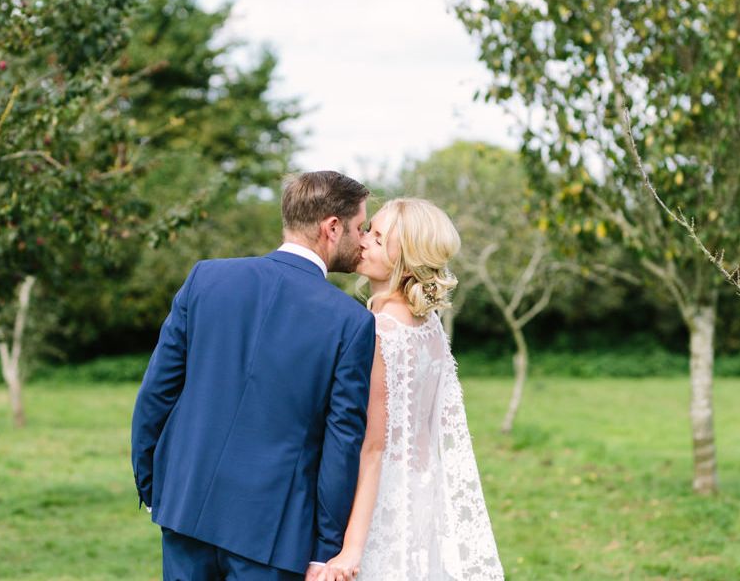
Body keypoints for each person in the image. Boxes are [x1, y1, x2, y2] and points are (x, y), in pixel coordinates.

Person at [131, 170, 376, 581]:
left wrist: (155, 487)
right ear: (332, 228)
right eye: (360, 226)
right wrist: (326, 549)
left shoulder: (206, 278)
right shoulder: (350, 322)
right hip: (274, 534)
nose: (364, 238)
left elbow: (156, 394)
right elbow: (342, 443)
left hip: (185, 507)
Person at [322, 198, 505, 581]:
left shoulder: (380, 331)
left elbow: (372, 448)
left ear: (403, 256)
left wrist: (350, 550)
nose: (364, 240)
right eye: (368, 230)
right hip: (423, 493)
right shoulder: (428, 325)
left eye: (378, 236)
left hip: (382, 502)